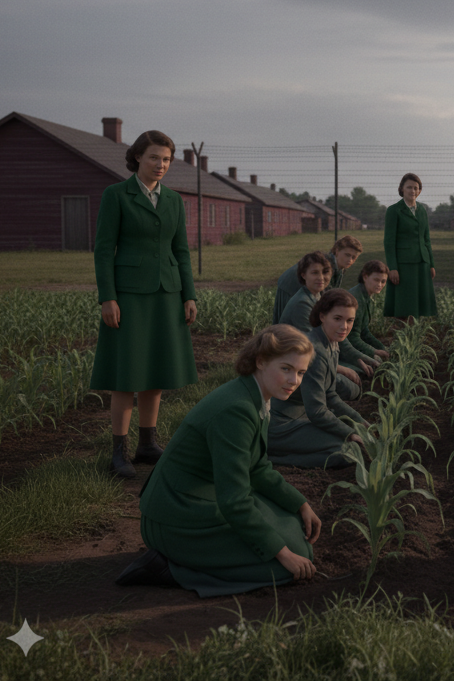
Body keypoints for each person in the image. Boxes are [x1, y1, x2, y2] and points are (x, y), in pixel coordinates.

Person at [115, 325, 321, 595]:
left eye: (301, 372)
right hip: (176, 517)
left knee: (297, 537)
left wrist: (300, 504)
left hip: (203, 498)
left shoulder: (255, 395)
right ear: (260, 361)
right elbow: (234, 500)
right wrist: (283, 555)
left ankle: (210, 556)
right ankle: (167, 567)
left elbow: (257, 468)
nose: (294, 380)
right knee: (282, 567)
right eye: (286, 368)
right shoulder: (237, 410)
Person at [90, 130, 198, 479]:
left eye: (166, 159)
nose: (160, 165)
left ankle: (147, 444)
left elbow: (181, 251)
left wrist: (189, 294)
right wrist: (108, 297)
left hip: (167, 293)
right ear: (137, 157)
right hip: (129, 297)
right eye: (154, 157)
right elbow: (104, 250)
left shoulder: (174, 201)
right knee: (126, 375)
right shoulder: (116, 196)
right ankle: (118, 452)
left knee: (156, 372)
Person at [269, 289, 369, 468]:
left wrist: (360, 421)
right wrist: (350, 434)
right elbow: (316, 410)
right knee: (348, 452)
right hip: (281, 424)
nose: (344, 326)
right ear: (322, 316)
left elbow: (330, 395)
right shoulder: (314, 351)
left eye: (349, 320)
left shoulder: (330, 343)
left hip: (301, 417)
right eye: (337, 318)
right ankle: (274, 459)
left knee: (349, 428)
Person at [281, 251, 374, 399]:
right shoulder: (302, 303)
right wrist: (340, 369)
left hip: (317, 358)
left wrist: (362, 359)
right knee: (352, 389)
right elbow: (311, 348)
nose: (321, 278)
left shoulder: (319, 296)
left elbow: (337, 341)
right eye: (315, 273)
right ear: (303, 275)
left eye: (325, 272)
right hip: (299, 364)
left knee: (358, 373)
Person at [272, 235, 363, 324]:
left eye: (354, 257)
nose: (350, 260)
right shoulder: (328, 264)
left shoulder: (339, 266)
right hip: (291, 285)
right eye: (347, 255)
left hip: (301, 286)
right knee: (289, 324)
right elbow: (327, 297)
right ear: (337, 251)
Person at [384, 173, 437, 322]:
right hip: (403, 264)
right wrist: (392, 267)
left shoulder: (422, 211)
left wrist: (431, 264)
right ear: (402, 189)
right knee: (403, 301)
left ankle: (414, 335)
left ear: (419, 190)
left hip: (422, 262)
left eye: (416, 188)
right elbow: (389, 242)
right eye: (409, 187)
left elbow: (426, 239)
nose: (412, 191)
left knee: (419, 302)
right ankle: (401, 335)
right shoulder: (393, 210)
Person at [346, 260, 391, 363]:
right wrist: (373, 351)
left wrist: (381, 347)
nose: (380, 284)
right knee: (377, 362)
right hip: (342, 346)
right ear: (365, 277)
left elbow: (364, 331)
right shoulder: (357, 299)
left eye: (383, 281)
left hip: (351, 343)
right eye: (376, 280)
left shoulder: (365, 295)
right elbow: (352, 336)